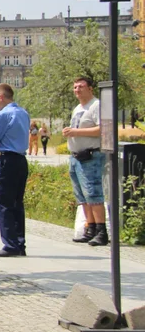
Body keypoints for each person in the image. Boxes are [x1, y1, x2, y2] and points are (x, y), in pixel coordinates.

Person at [0, 83, 31, 257]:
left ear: (1, 97)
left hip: (8, 160)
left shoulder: (4, 115)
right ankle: (20, 243)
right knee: (18, 203)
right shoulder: (23, 113)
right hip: (21, 159)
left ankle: (10, 244)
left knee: (5, 203)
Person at [63, 76, 107, 246]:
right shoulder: (77, 108)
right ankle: (91, 227)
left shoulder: (96, 105)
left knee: (93, 193)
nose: (77, 90)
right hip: (76, 156)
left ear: (90, 88)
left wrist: (76, 132)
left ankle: (101, 231)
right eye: (75, 87)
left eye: (81, 86)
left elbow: (103, 128)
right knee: (82, 195)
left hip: (91, 155)